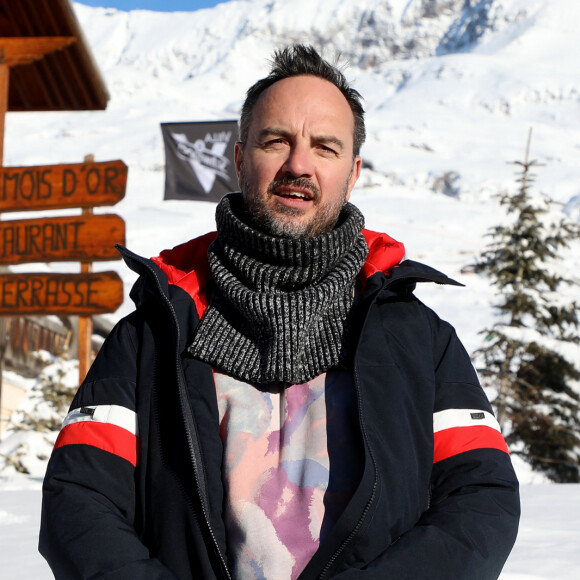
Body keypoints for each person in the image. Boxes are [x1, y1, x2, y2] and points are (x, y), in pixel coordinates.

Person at [40, 44, 520, 579]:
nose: (299, 165)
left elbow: (481, 497)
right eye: (277, 141)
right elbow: (78, 502)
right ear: (241, 157)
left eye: (325, 147)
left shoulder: (418, 341)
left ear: (353, 171)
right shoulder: (153, 336)